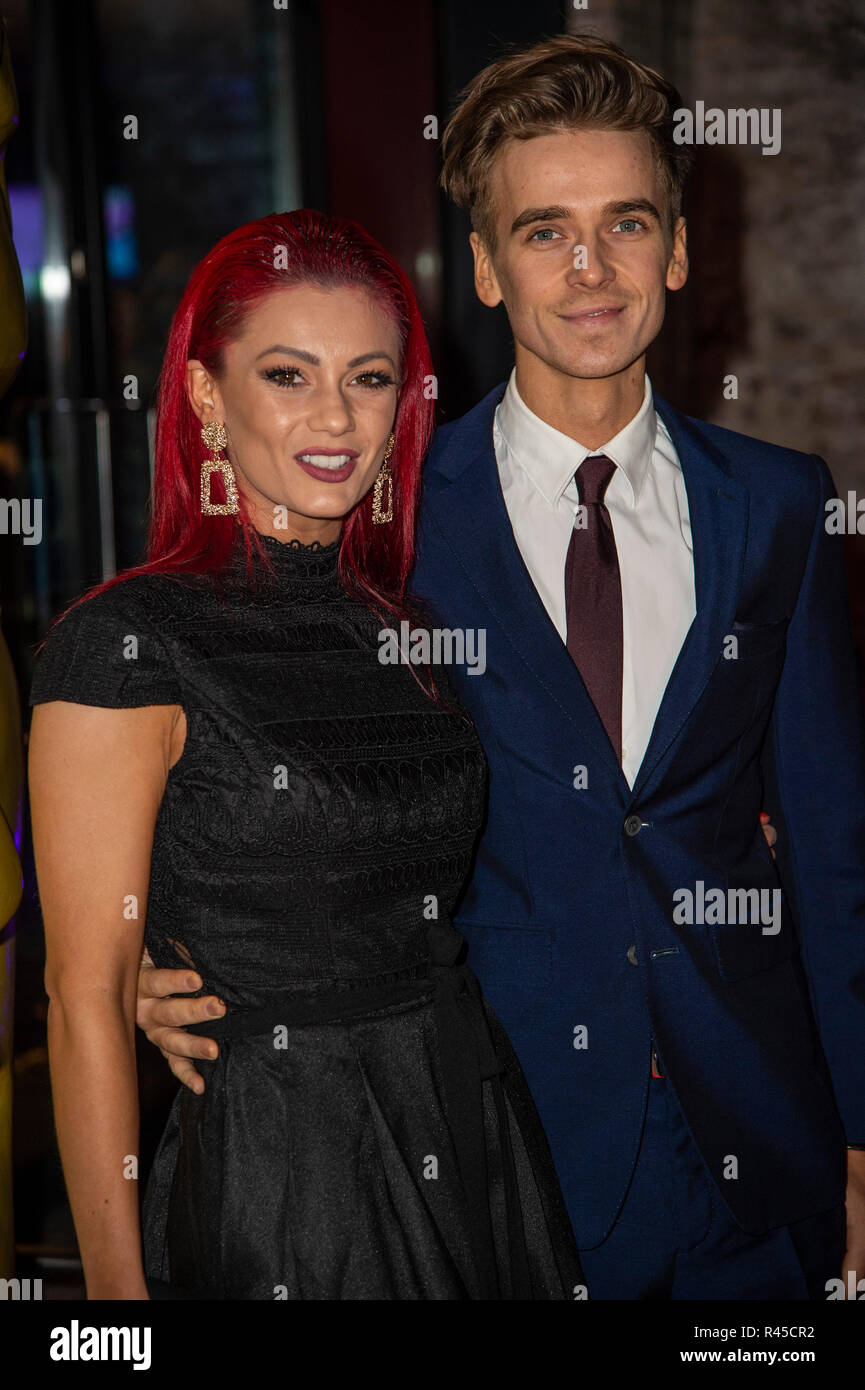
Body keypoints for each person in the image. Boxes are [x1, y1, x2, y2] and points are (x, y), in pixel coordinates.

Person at [140, 35, 865, 1300]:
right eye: (543, 231)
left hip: (762, 1148)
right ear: (482, 266)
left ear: (677, 250)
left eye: (625, 223)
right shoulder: (394, 516)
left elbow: (835, 842)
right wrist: (163, 956)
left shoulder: (779, 504)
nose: (589, 270)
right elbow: (252, 749)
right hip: (497, 1149)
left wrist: (860, 1133)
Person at [27, 208, 584, 1300]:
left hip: (466, 1122)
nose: (335, 415)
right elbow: (82, 996)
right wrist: (112, 1310)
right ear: (201, 396)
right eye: (288, 374)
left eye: (369, 378)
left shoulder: (402, 626)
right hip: (288, 1172)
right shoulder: (128, 642)